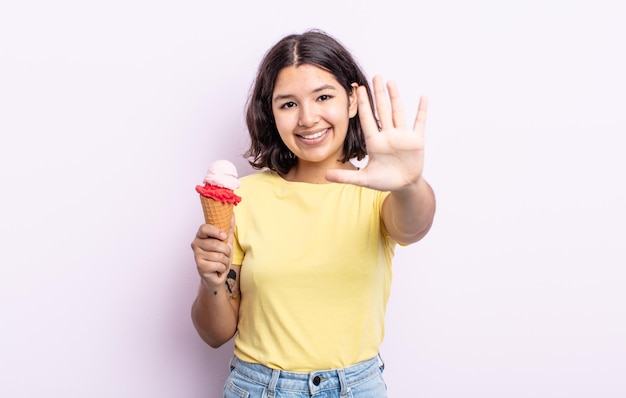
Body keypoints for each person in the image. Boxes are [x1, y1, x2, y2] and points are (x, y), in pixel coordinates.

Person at [190, 29, 436, 397]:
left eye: (323, 97)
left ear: (353, 100)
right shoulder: (245, 198)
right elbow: (215, 334)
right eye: (288, 104)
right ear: (270, 113)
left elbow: (415, 225)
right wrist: (211, 282)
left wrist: (409, 183)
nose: (307, 118)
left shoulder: (377, 194)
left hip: (356, 387)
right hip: (259, 388)